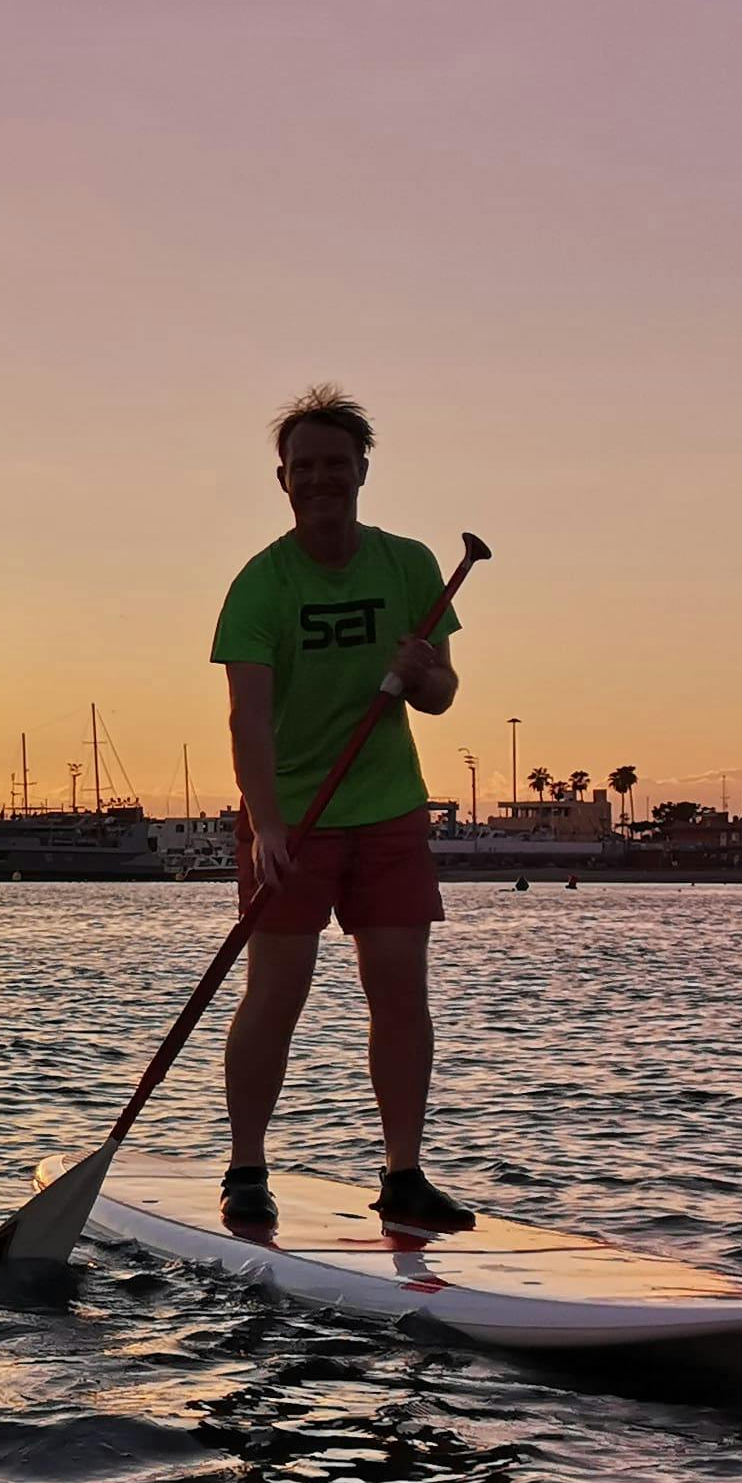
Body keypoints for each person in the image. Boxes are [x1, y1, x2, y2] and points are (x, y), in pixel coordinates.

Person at [213, 383, 469, 1233]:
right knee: (275, 991)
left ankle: (403, 1175)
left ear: (361, 468)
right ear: (281, 479)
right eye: (302, 467)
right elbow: (246, 716)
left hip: (388, 809)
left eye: (334, 463)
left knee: (398, 989)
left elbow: (438, 695)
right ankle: (246, 1168)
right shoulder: (260, 586)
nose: (319, 478)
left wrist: (425, 670)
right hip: (291, 814)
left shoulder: (410, 565)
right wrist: (268, 824)